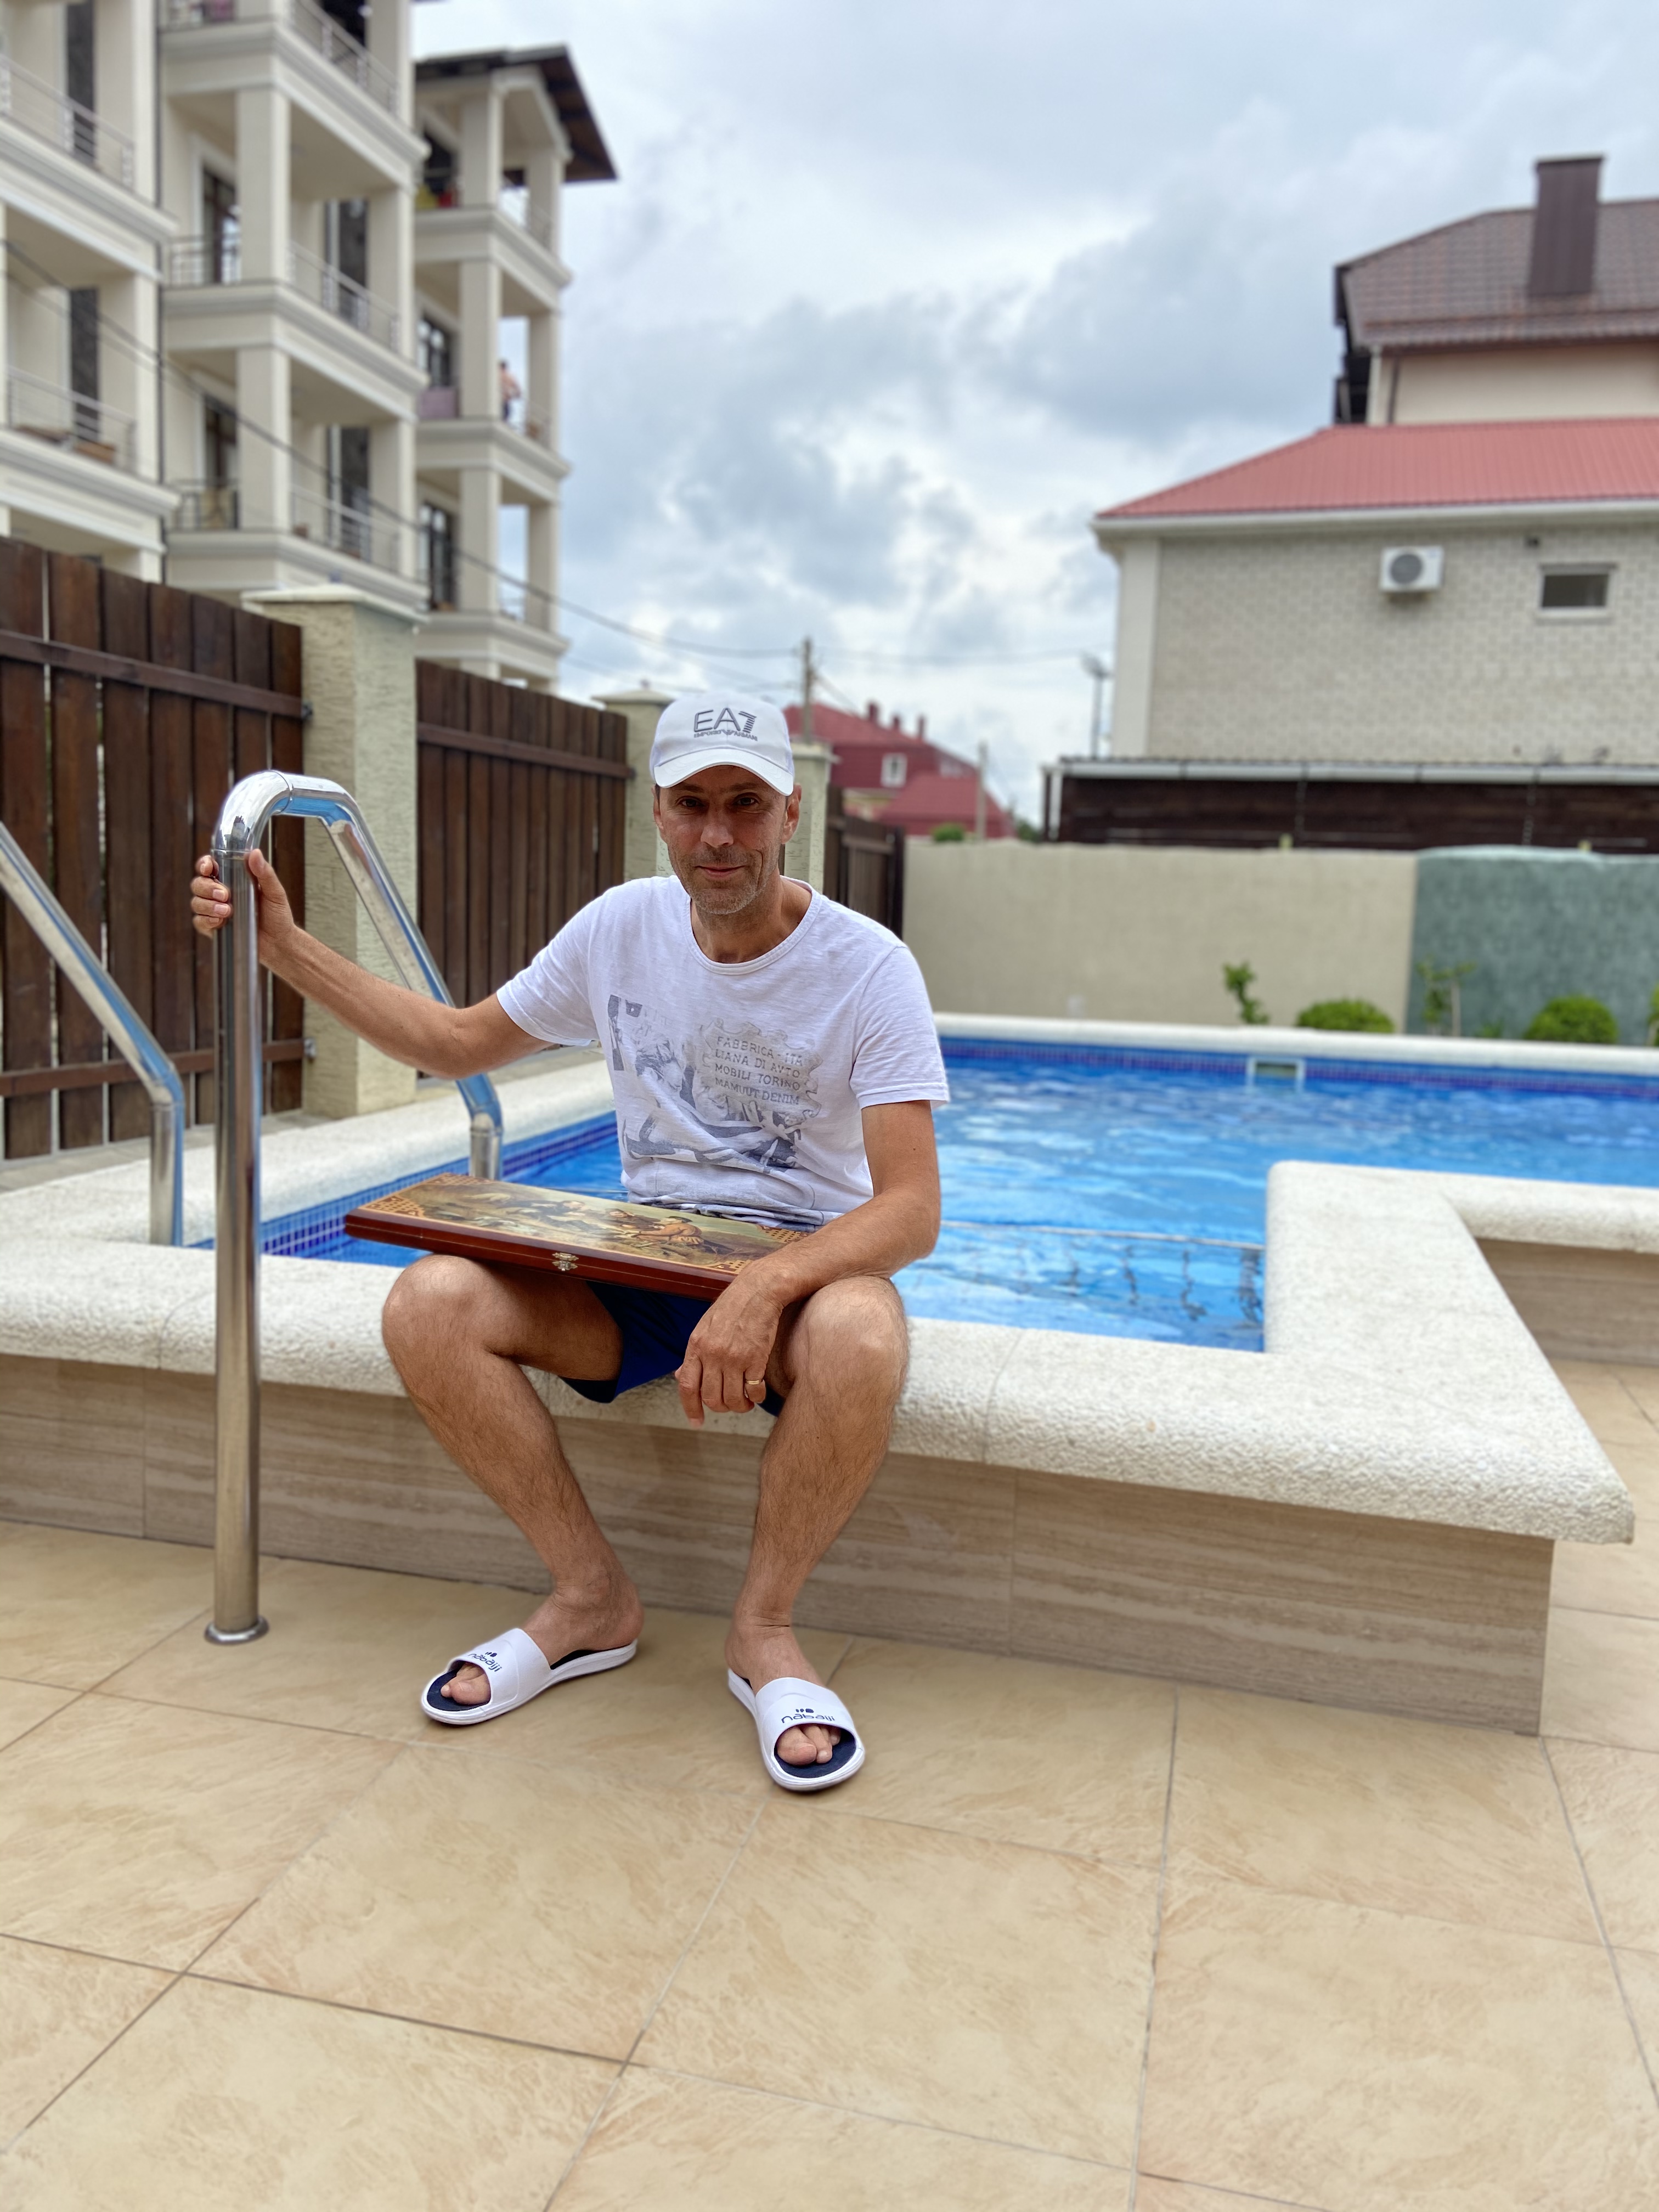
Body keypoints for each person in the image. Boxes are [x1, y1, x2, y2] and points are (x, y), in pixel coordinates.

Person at [188, 691, 947, 1792]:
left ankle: (764, 1632)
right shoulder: (619, 930)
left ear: (792, 813)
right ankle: (591, 1599)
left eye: (745, 804)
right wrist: (285, 948)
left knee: (864, 1333)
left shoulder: (868, 967)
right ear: (659, 814)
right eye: (693, 804)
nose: (719, 834)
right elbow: (455, 1044)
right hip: (639, 1267)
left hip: (794, 1282)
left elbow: (911, 1209)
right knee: (430, 1302)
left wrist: (763, 1287)